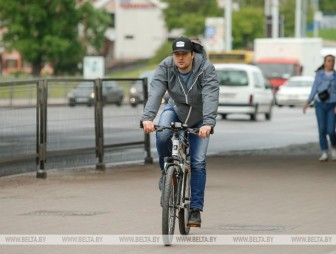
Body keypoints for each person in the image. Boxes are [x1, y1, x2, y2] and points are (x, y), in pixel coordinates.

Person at [141, 36, 219, 227]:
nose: (180, 58)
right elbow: (156, 91)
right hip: (175, 109)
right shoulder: (166, 67)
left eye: (184, 54)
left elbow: (210, 95)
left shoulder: (206, 69)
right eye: (177, 54)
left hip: (200, 117)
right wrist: (148, 118)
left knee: (198, 161)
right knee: (162, 134)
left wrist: (208, 123)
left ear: (193, 55)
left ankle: (195, 209)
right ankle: (166, 171)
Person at [303, 54, 336, 161]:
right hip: (320, 104)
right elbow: (314, 88)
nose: (331, 63)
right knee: (322, 129)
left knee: (331, 130)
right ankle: (324, 152)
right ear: (325, 62)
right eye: (329, 61)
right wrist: (308, 101)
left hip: (332, 105)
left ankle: (334, 147)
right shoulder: (319, 75)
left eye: (332, 61)